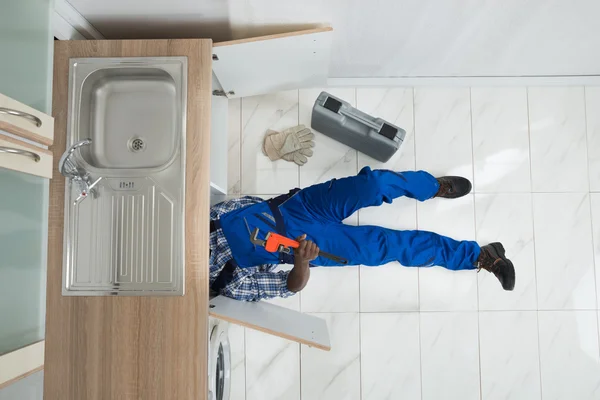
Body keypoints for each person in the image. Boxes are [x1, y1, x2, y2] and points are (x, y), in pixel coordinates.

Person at [209, 167, 515, 301]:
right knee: (388, 247)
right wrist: (303, 261)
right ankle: (480, 256)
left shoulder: (196, 219)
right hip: (304, 248)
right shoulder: (224, 283)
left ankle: (432, 186)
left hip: (300, 208)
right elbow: (289, 287)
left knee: (373, 186)